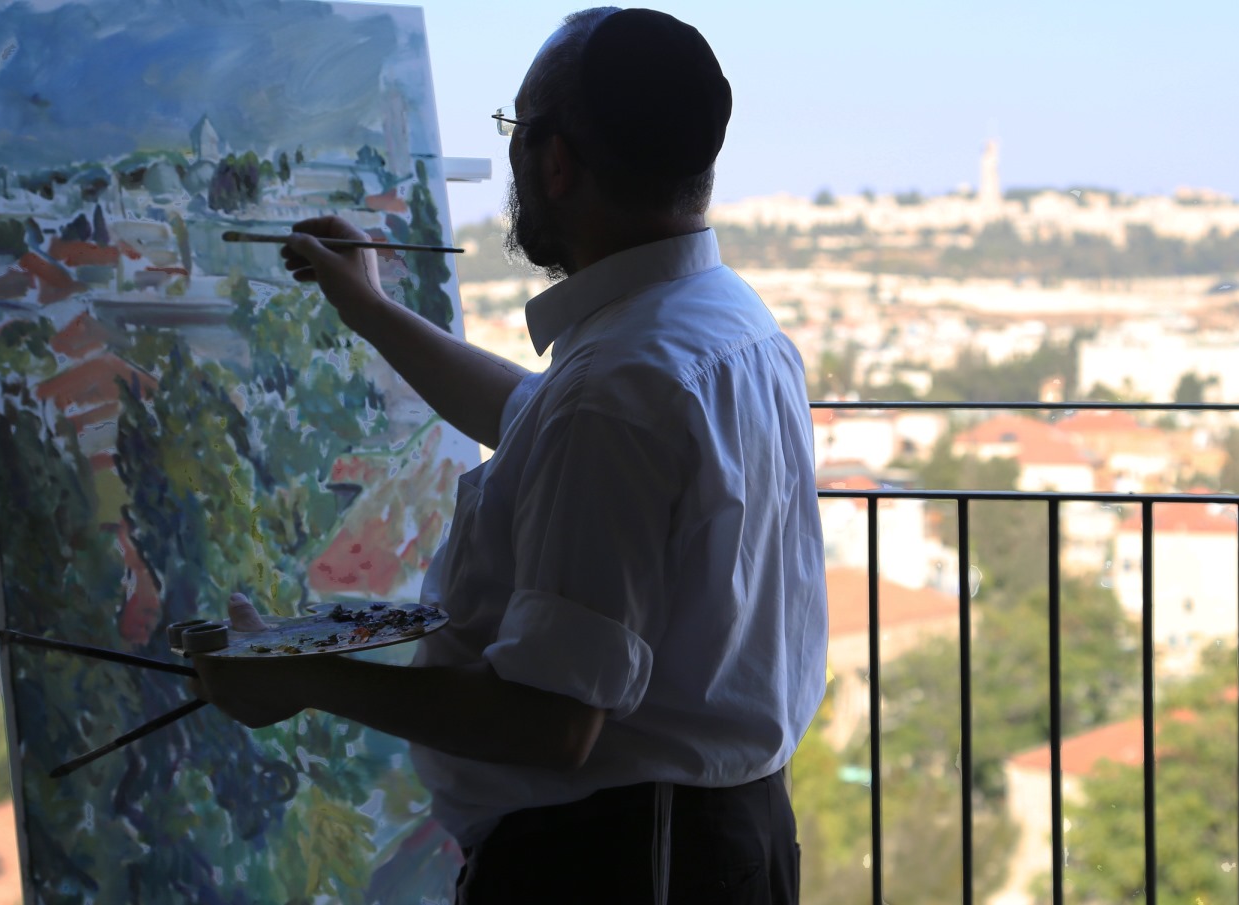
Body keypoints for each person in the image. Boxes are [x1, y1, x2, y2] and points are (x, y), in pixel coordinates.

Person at [193, 7, 827, 903]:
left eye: (517, 134)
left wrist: (304, 678)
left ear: (557, 160)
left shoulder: (616, 387)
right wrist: (370, 307)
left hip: (609, 865)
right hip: (710, 839)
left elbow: (553, 720)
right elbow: (535, 419)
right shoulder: (721, 321)